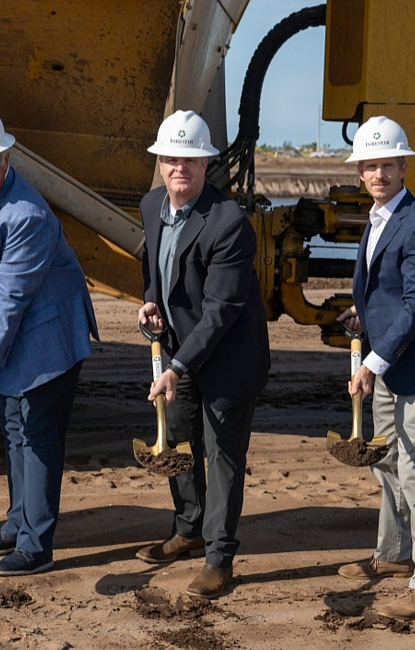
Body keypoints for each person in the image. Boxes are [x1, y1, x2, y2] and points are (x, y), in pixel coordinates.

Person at [0, 105, 99, 577]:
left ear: (7, 155)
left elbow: (11, 298)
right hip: (8, 334)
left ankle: (37, 546)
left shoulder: (25, 215)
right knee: (13, 431)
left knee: (37, 438)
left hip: (46, 340)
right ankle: (17, 523)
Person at [136, 110, 270, 599]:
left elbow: (222, 310)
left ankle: (219, 558)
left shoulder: (229, 222)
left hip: (228, 358)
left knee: (222, 455)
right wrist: (150, 301)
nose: (180, 168)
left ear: (206, 164)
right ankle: (188, 528)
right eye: (171, 158)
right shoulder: (152, 206)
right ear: (161, 163)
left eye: (190, 160)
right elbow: (154, 266)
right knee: (178, 441)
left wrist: (177, 366)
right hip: (180, 351)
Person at [335, 115, 415, 620]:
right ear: (360, 172)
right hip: (386, 365)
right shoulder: (379, 217)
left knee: (413, 473)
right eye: (371, 166)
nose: (379, 174)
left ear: (403, 166)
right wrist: (361, 313)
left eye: (388, 164)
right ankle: (391, 554)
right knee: (385, 463)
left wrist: (372, 361)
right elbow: (388, 292)